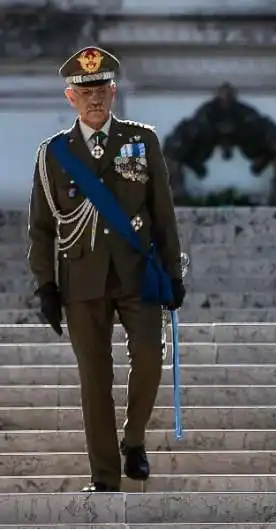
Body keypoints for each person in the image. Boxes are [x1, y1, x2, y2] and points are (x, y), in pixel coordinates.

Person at [26, 46, 185, 492]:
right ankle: (104, 477)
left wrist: (174, 272)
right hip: (81, 279)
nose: (94, 99)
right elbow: (40, 227)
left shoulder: (141, 140)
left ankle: (133, 439)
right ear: (69, 97)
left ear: (113, 92)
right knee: (94, 381)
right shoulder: (54, 153)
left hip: (138, 272)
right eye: (84, 91)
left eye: (101, 90)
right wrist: (46, 286)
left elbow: (163, 212)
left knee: (151, 359)